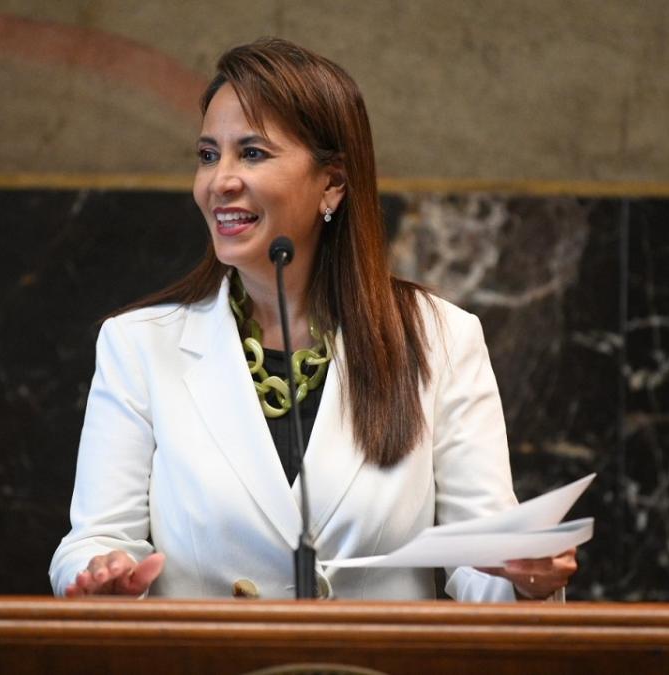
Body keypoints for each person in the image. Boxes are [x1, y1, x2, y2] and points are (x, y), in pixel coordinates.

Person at [49, 37, 577, 601]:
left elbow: (480, 559)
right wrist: (101, 576)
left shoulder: (441, 338)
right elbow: (96, 540)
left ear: (333, 182)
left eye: (252, 153)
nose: (219, 181)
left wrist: (526, 578)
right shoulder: (137, 345)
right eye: (208, 155)